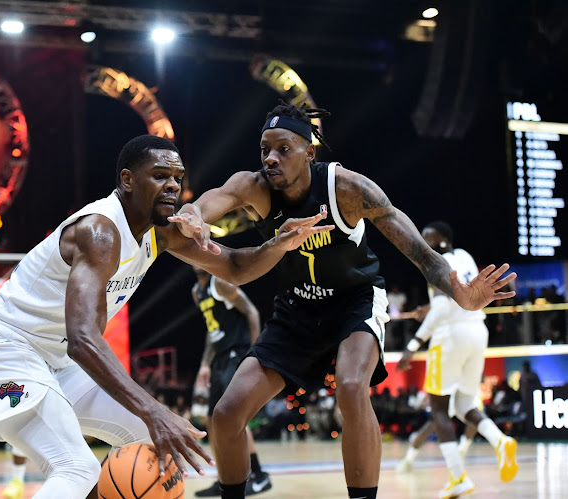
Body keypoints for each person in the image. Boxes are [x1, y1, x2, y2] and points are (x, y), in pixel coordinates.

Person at [0, 135, 333, 499]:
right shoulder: (99, 231)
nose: (172, 186)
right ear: (128, 180)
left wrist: (278, 245)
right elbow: (83, 339)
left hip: (53, 360)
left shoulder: (159, 233)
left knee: (154, 444)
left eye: (178, 179)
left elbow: (233, 266)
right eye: (160, 176)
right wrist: (154, 409)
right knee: (76, 467)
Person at [175, 102, 517, 499]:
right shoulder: (254, 187)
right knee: (226, 413)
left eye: (283, 149)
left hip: (355, 302)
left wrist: (460, 294)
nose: (270, 158)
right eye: (264, 148)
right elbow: (211, 200)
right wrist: (194, 214)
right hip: (297, 310)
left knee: (352, 387)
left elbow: (422, 254)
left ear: (310, 152)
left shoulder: (348, 189)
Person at [397, 221, 519, 498]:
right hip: (478, 330)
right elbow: (461, 295)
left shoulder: (436, 263)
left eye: (428, 237)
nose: (423, 241)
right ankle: (500, 441)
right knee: (464, 404)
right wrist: (429, 306)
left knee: (438, 409)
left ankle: (457, 477)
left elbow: (442, 307)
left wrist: (413, 344)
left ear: (442, 240)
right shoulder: (464, 256)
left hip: (450, 336)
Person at [190, 267, 271, 496]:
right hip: (219, 358)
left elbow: (252, 312)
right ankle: (226, 478)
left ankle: (258, 475)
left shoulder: (220, 283)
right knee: (211, 420)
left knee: (231, 417)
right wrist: (205, 363)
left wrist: (256, 354)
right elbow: (211, 329)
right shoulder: (197, 292)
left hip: (237, 354)